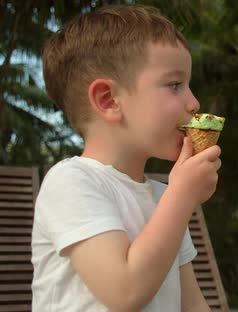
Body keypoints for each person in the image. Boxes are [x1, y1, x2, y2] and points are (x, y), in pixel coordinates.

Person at [31, 5, 221, 311]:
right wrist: (182, 196)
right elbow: (124, 293)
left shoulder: (165, 198)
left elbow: (193, 305)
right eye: (174, 85)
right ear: (108, 100)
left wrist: (176, 197)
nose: (194, 102)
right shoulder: (71, 183)